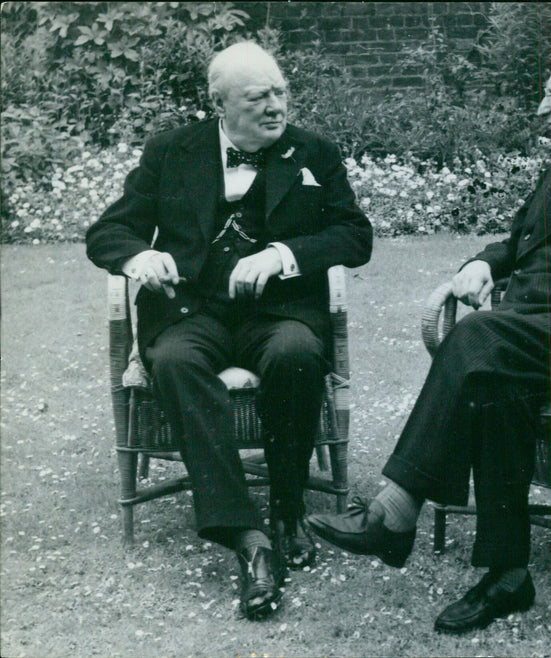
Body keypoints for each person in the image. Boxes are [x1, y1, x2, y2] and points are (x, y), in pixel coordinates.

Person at [307, 39, 551, 633]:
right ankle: (508, 575)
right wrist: (485, 262)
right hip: (533, 336)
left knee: (475, 338)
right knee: (493, 382)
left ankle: (395, 512)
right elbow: (522, 242)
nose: (542, 107)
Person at [86, 41, 372, 621]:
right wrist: (139, 257)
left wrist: (284, 254)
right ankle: (247, 535)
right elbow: (109, 231)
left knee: (296, 354)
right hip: (192, 312)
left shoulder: (313, 151)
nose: (275, 106)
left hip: (281, 312)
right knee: (174, 363)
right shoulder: (172, 151)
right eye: (257, 97)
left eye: (280, 92)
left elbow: (353, 235)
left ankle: (289, 508)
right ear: (218, 103)